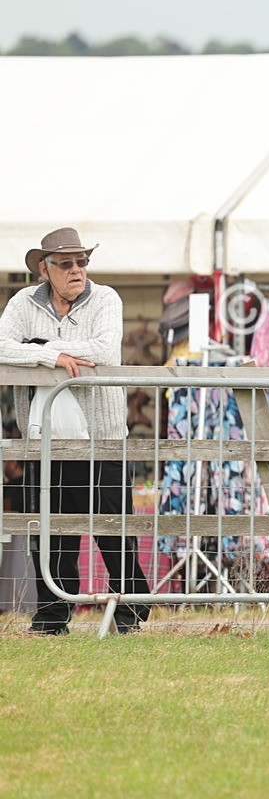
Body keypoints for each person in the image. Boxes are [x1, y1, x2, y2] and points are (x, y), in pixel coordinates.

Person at [0, 227, 150, 634]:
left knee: (115, 531)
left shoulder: (106, 298)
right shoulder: (22, 302)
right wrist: (54, 354)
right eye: (65, 263)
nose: (76, 269)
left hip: (103, 437)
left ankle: (131, 614)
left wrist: (35, 349)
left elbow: (104, 351)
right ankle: (51, 618)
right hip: (45, 438)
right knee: (50, 535)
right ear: (44, 270)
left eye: (82, 261)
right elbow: (1, 345)